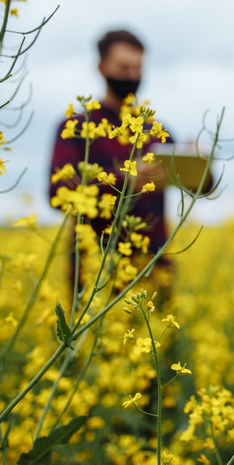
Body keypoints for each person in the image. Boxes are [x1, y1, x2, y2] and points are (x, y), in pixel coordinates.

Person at [49, 29, 174, 288]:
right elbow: (57, 192)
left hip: (152, 267)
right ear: (102, 67)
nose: (132, 76)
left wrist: (201, 162)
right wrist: (125, 179)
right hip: (93, 271)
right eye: (124, 67)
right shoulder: (77, 127)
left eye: (138, 68)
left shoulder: (155, 129)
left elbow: (200, 186)